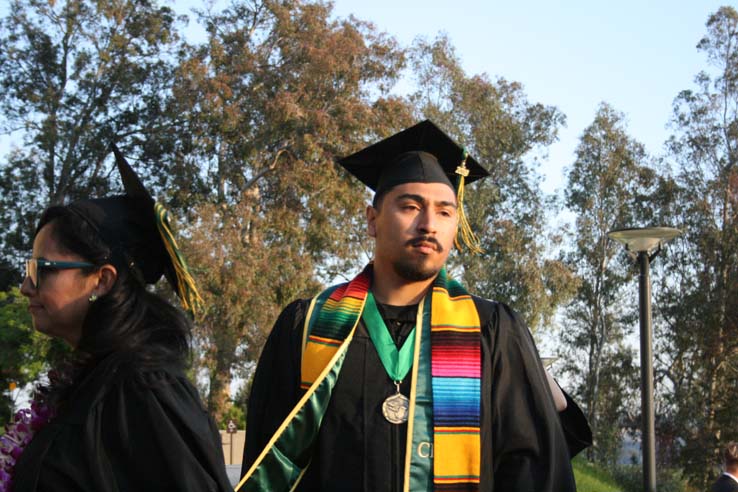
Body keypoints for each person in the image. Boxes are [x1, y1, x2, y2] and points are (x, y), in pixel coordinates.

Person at [238, 120, 589, 491]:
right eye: (410, 206)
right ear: (372, 220)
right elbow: (268, 466)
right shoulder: (306, 326)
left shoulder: (493, 332)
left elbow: (531, 472)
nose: (428, 225)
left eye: (444, 211)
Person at [7, 147, 232, 491]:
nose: (25, 286)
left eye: (41, 270)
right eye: (28, 268)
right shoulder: (90, 383)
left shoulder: (145, 389)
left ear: (102, 280)